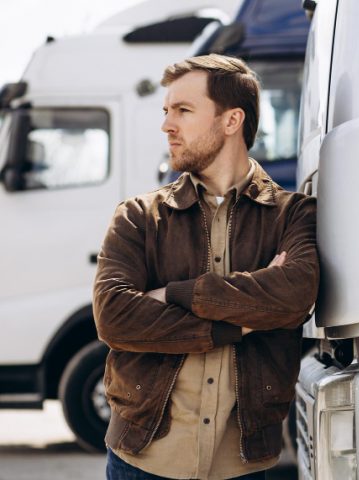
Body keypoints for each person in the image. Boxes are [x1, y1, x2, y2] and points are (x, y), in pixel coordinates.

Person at [92, 54, 318, 480]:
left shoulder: (292, 214)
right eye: (166, 111)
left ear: (231, 120)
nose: (167, 126)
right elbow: (115, 317)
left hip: (244, 465)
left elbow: (295, 295)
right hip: (142, 461)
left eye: (183, 110)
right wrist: (237, 325)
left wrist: (176, 293)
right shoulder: (139, 216)